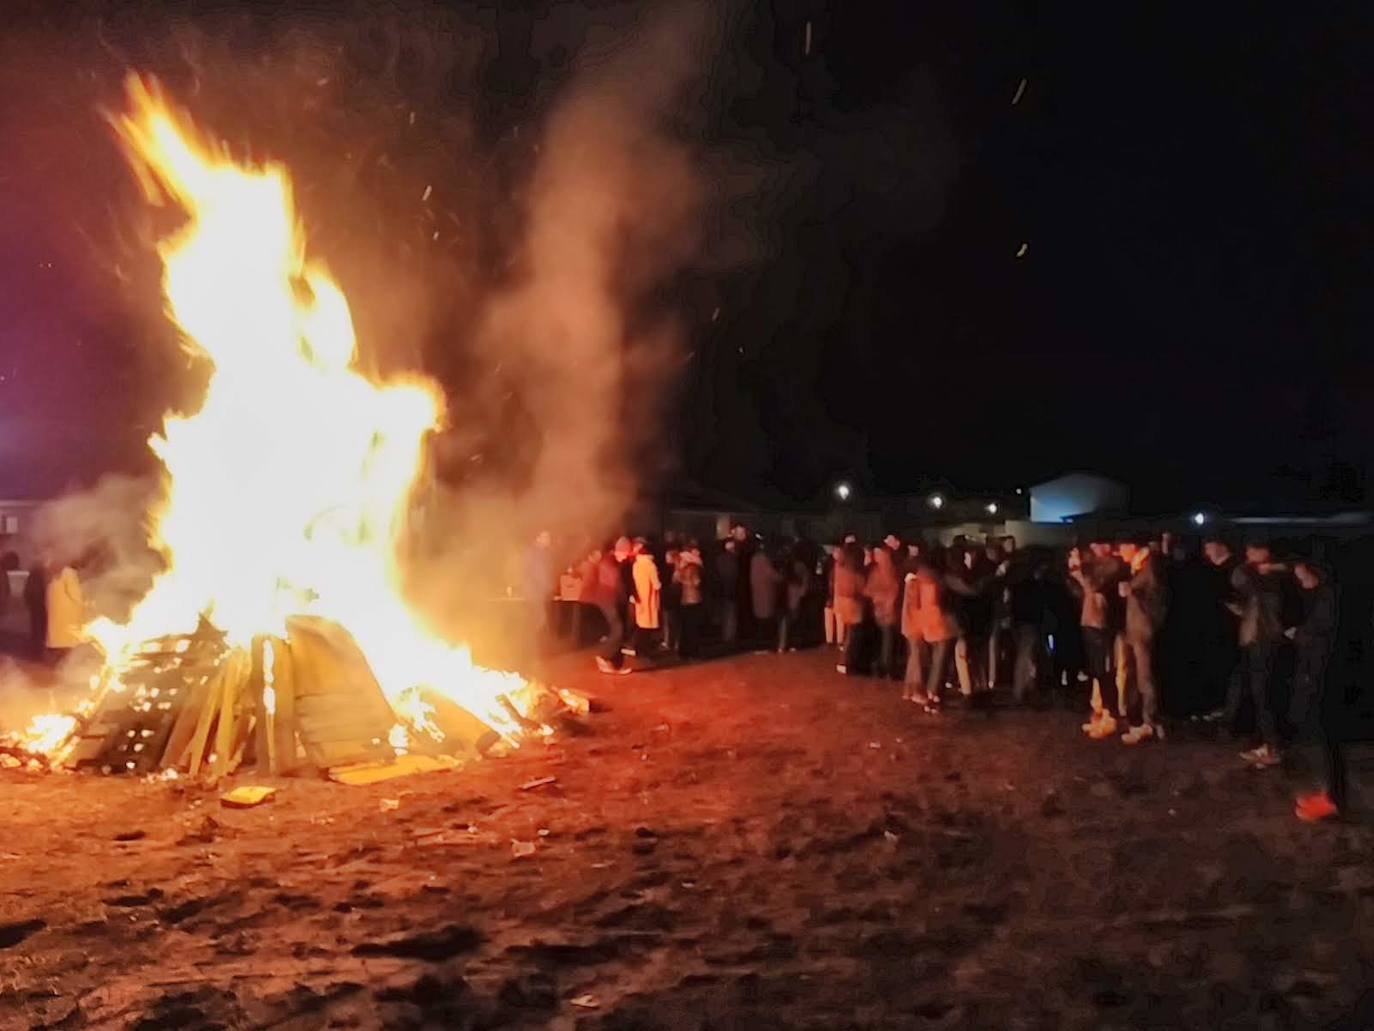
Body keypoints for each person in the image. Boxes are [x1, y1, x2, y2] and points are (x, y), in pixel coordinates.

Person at [1287, 560, 1342, 820]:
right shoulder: (1323, 597)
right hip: (1321, 672)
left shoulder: (1329, 599)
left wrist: (1300, 635)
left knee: (1330, 740)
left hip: (1326, 675)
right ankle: (1329, 794)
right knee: (1324, 741)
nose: (1302, 583)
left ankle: (1334, 800)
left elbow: (1322, 634)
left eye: (1304, 577)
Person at [1225, 541, 1288, 767]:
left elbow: (1241, 578)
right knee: (1258, 693)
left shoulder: (1270, 578)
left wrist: (1269, 568)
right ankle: (1265, 742)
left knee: (1264, 694)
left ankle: (1272, 747)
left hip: (1264, 639)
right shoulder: (1266, 578)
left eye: (1253, 550)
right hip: (1256, 638)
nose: (1248, 554)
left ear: (1265, 552)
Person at [1072, 540, 1127, 738]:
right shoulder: (1097, 566)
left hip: (1101, 622)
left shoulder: (1113, 564)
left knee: (1105, 671)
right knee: (1096, 671)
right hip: (1090, 620)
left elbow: (1093, 585)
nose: (1093, 549)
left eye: (1097, 545)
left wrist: (1080, 569)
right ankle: (1101, 712)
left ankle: (1110, 716)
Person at [1117, 540, 1168, 745]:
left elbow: (1157, 599)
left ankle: (1150, 721)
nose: (1120, 552)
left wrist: (1133, 591)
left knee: (1145, 677)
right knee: (1135, 676)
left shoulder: (1149, 568)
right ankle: (1138, 718)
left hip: (1143, 629)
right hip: (1135, 628)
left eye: (1122, 547)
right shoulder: (1140, 567)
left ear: (1133, 546)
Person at [902, 552, 960, 711]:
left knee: (935, 662)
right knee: (940, 663)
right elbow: (965, 589)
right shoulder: (941, 578)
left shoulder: (917, 580)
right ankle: (934, 696)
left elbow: (914, 606)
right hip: (943, 625)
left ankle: (931, 695)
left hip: (928, 625)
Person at [591, 539, 632, 675]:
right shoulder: (608, 563)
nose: (627, 555)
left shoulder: (615, 562)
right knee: (618, 630)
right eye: (625, 552)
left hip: (615, 600)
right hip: (608, 601)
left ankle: (614, 664)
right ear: (618, 550)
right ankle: (602, 656)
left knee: (621, 630)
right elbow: (615, 584)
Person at [864, 545, 901, 678]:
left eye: (878, 554)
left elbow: (894, 590)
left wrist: (880, 597)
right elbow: (868, 590)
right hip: (882, 608)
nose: (876, 556)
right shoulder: (881, 570)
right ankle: (885, 666)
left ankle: (885, 666)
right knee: (886, 637)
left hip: (885, 609)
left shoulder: (887, 571)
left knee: (887, 637)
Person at [833, 543, 867, 674]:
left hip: (843, 602)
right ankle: (846, 661)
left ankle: (845, 661)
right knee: (852, 635)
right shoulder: (855, 571)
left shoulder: (840, 567)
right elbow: (859, 588)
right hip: (853, 603)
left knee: (849, 632)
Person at [45, 558, 86, 662]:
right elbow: (75, 595)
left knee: (59, 642)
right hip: (68, 616)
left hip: (57, 616)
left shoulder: (54, 576)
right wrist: (86, 604)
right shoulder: (69, 574)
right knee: (68, 643)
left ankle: (59, 664)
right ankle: (66, 666)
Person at [522, 530, 556, 647]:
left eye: (549, 536)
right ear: (538, 538)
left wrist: (551, 588)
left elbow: (548, 573)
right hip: (534, 594)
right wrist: (535, 589)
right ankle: (530, 647)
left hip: (545, 594)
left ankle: (540, 648)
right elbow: (525, 573)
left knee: (544, 622)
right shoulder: (530, 552)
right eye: (546, 537)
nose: (549, 539)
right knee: (538, 621)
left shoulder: (547, 553)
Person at [778, 543, 812, 653]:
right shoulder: (801, 566)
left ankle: (782, 645)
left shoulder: (785, 565)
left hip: (787, 594)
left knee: (785, 620)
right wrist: (802, 591)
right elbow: (805, 580)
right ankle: (791, 643)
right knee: (794, 619)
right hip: (794, 593)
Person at [674, 543, 706, 659]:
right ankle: (693, 652)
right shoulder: (694, 567)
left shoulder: (681, 568)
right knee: (693, 628)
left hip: (683, 600)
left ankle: (683, 652)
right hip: (694, 599)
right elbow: (697, 582)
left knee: (685, 627)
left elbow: (677, 580)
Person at [631, 539, 662, 655]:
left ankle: (638, 648)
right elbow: (656, 584)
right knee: (648, 625)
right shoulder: (650, 565)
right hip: (650, 598)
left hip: (639, 596)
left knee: (640, 623)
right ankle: (645, 650)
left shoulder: (636, 564)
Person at [749, 545, 783, 651]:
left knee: (760, 622)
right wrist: (782, 577)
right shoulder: (764, 560)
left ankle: (759, 645)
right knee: (766, 622)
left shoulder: (754, 560)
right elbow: (773, 575)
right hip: (766, 594)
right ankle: (765, 645)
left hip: (757, 594)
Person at [712, 539, 740, 645]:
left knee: (725, 613)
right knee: (731, 614)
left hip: (721, 590)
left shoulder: (719, 559)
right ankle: (729, 636)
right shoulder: (733, 560)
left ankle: (725, 635)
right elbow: (734, 575)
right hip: (730, 590)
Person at [23, 559, 48, 659]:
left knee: (36, 627)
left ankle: (35, 649)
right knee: (41, 628)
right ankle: (38, 650)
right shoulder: (40, 577)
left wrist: (28, 603)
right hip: (40, 605)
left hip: (35, 605)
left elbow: (27, 591)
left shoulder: (32, 577)